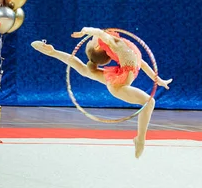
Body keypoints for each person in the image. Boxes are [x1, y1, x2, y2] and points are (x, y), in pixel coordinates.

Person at [31, 27, 172, 158]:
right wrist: (85, 30)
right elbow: (98, 32)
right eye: (92, 39)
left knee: (84, 70)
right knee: (149, 102)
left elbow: (141, 62)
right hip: (118, 86)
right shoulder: (113, 43)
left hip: (119, 76)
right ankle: (140, 140)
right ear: (99, 46)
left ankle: (52, 52)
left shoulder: (121, 47)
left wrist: (157, 79)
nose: (92, 37)